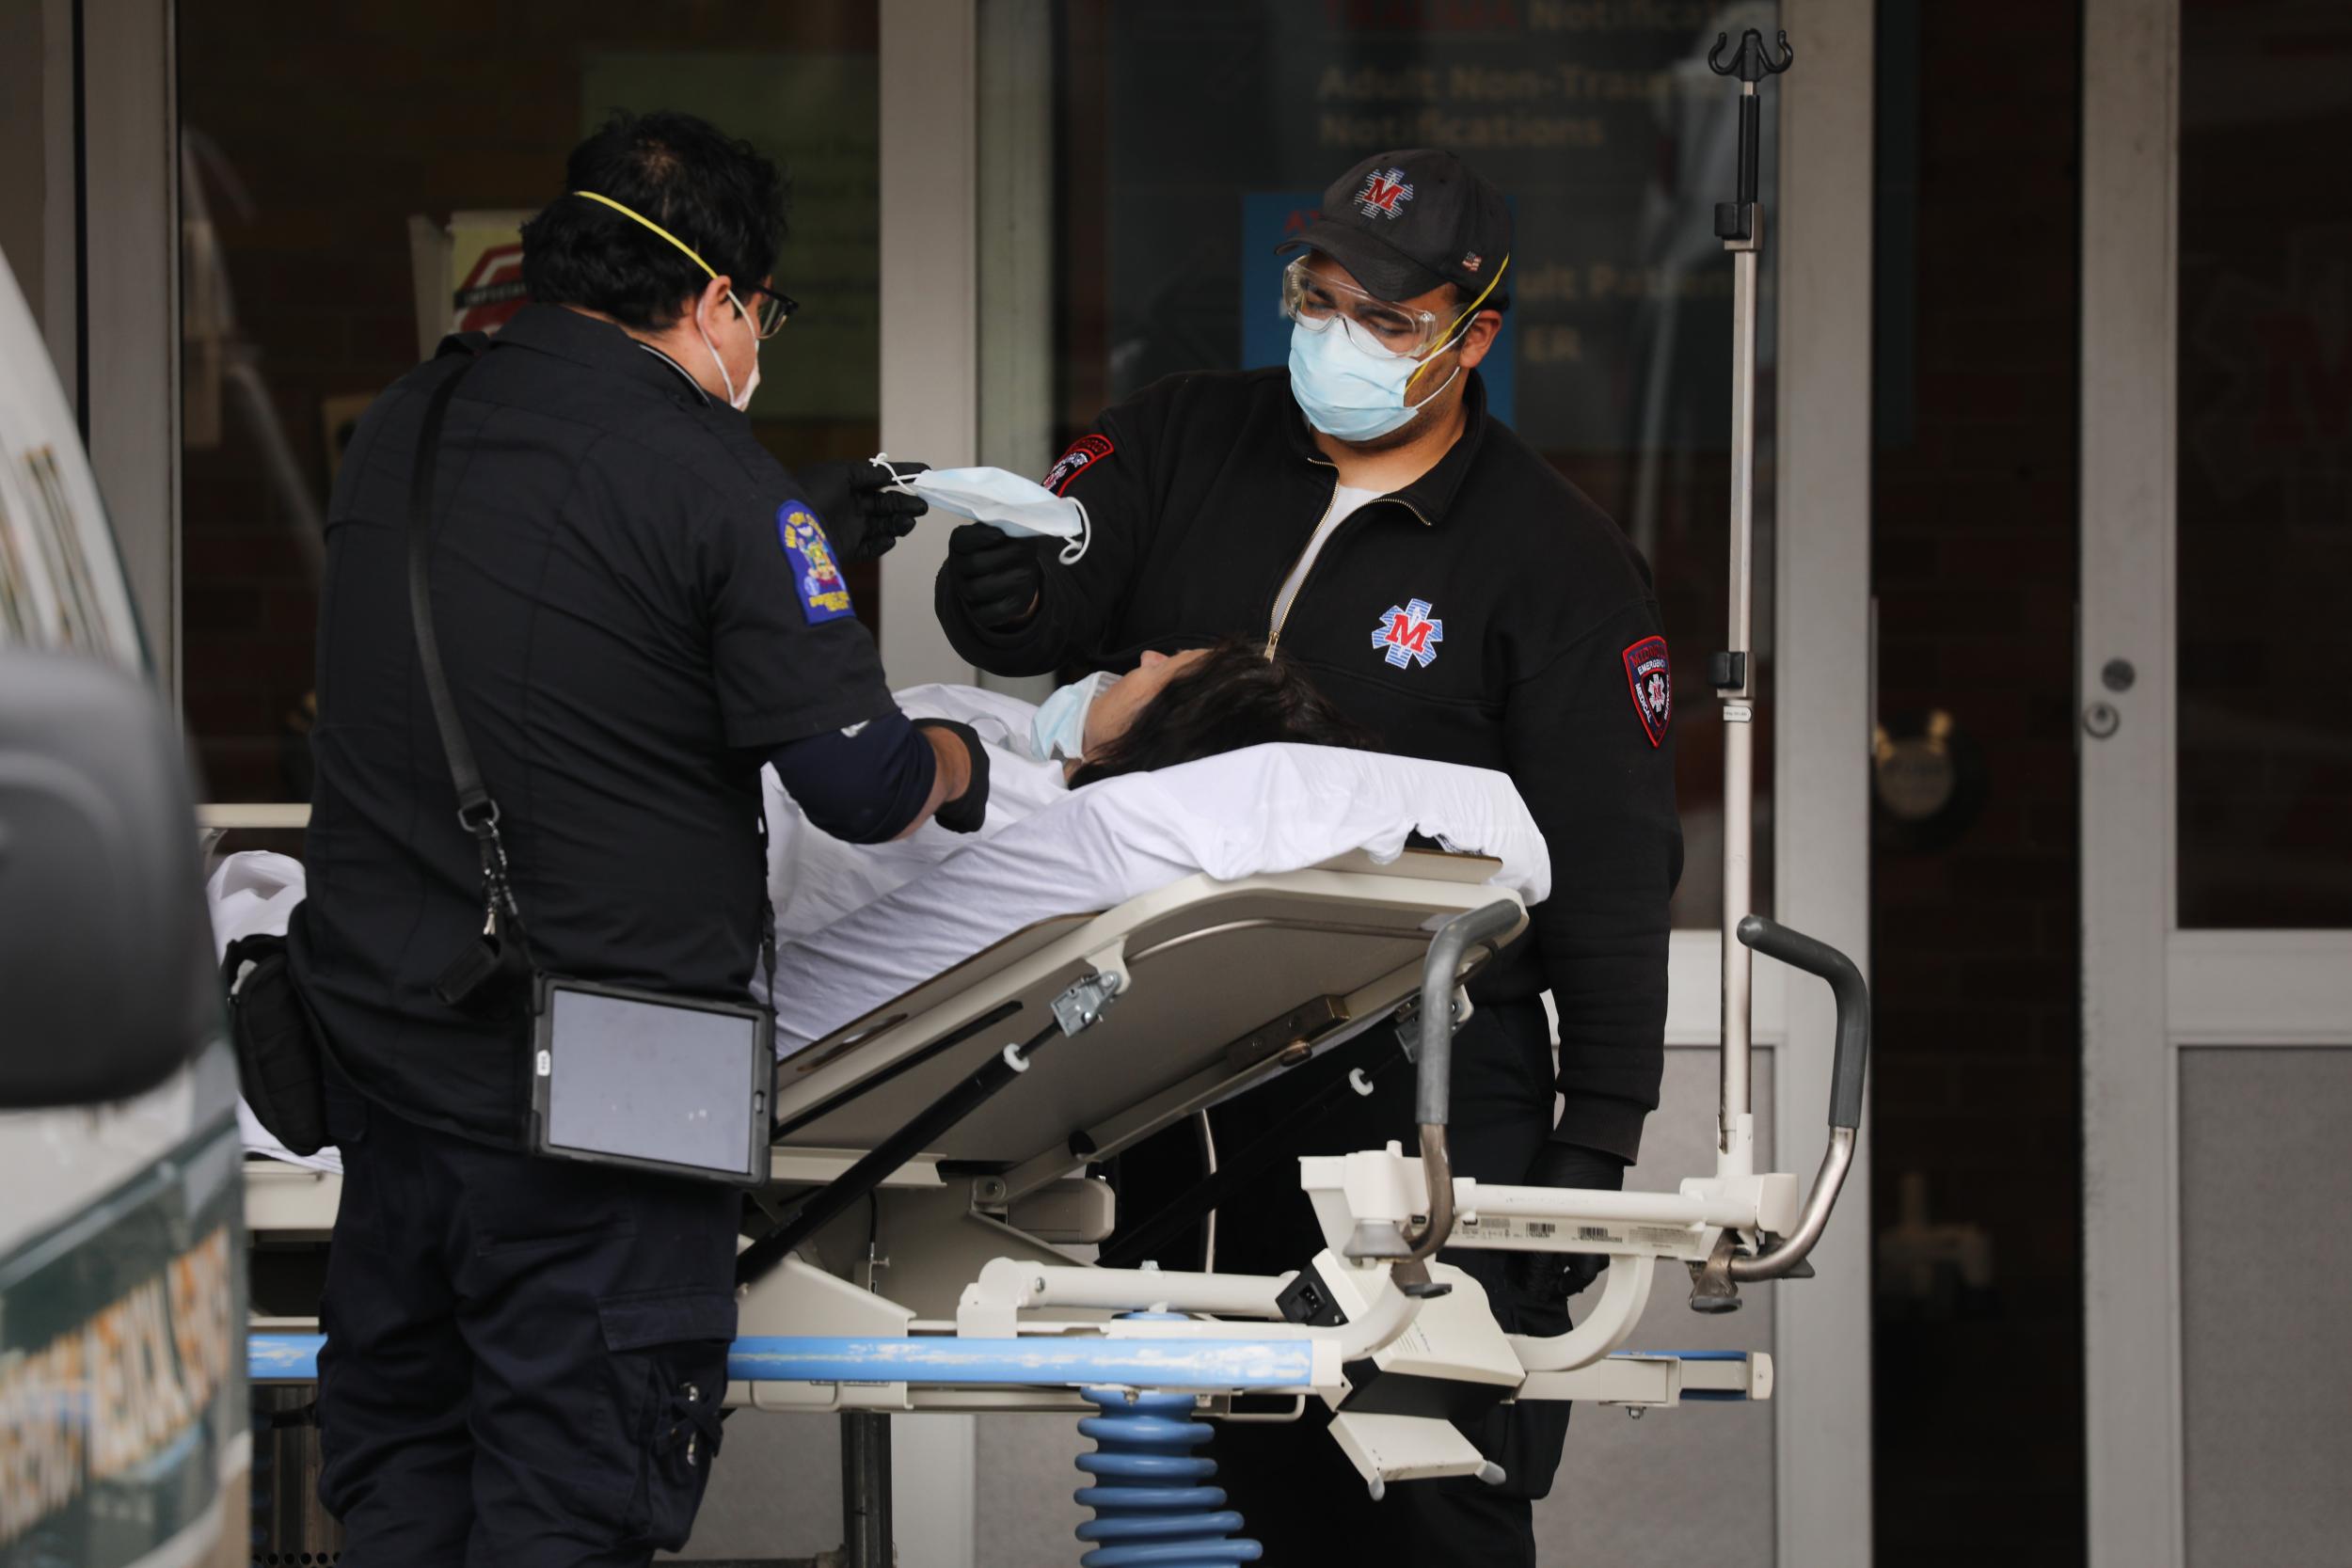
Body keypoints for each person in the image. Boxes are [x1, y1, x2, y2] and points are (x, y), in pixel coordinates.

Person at [932, 149, 1683, 1566]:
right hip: (1182, 1093)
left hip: (1435, 1116)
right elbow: (1043, 600)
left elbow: (1615, 876)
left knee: (1426, 1508)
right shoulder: (1182, 438)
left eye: (1389, 322)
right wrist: (1000, 590)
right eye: (1321, 299)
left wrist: (1590, 1156)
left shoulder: (1555, 563)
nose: (1339, 340)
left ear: (1476, 338)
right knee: (1213, 1502)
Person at [286, 110, 985, 1566]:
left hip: (390, 1068)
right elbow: (858, 786)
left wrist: (799, 539)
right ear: (720, 299)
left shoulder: (405, 428)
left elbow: (556, 616)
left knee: (406, 1490)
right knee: (569, 1509)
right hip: (603, 1102)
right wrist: (959, 755)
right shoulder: (711, 480)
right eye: (764, 310)